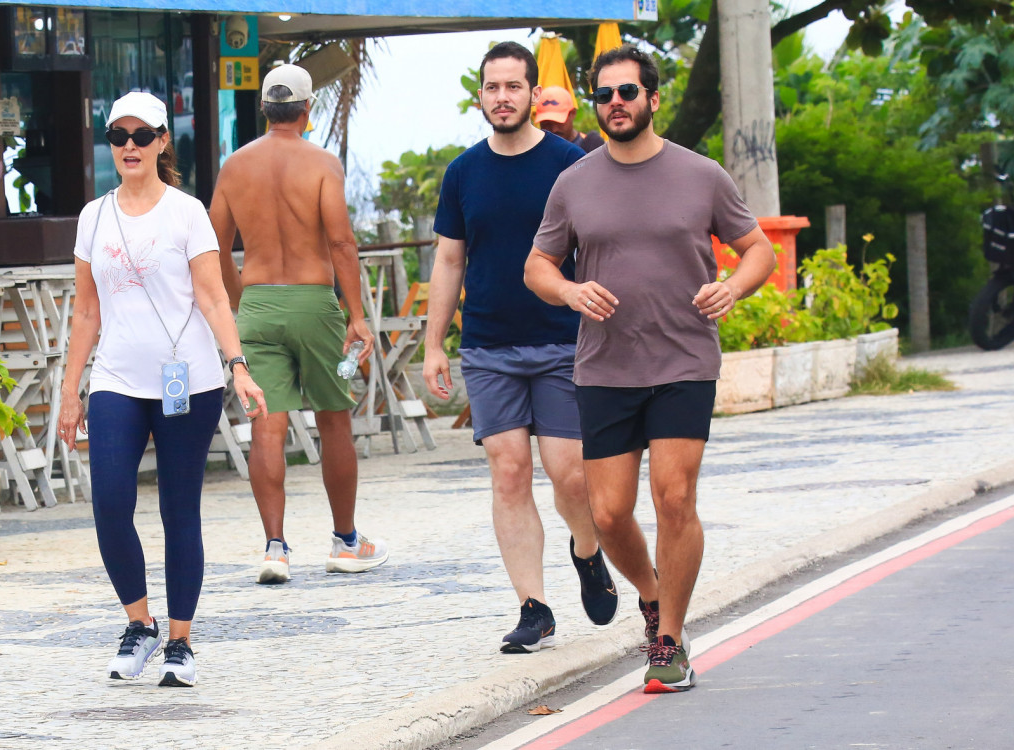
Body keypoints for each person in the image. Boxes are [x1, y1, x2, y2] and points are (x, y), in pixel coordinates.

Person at [525, 46, 777, 691]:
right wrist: (570, 292)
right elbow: (538, 266)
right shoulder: (574, 182)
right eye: (606, 94)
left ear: (652, 99)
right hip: (605, 367)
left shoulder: (701, 175)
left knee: (673, 498)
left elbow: (757, 251)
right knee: (607, 513)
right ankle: (652, 593)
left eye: (629, 92)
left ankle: (669, 643)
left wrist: (734, 288)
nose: (617, 103)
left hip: (683, 360)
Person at [58, 91, 268, 687]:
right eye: (118, 136)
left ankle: (180, 640)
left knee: (180, 509)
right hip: (119, 379)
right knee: (109, 503)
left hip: (189, 381)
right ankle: (138, 624)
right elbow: (85, 313)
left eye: (141, 135)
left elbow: (212, 296)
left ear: (161, 141)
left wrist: (238, 364)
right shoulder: (92, 216)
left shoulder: (186, 212)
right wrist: (70, 391)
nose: (129, 146)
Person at [423, 41, 618, 655]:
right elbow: (450, 259)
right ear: (479, 97)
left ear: (534, 94)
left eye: (513, 86)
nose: (502, 97)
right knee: (508, 473)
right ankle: (533, 607)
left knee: (570, 476)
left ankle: (587, 552)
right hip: (489, 345)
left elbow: (605, 246)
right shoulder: (462, 173)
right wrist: (434, 345)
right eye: (491, 87)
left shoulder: (573, 164)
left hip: (565, 341)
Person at [210, 64, 386, 585]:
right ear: (308, 109)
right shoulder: (322, 163)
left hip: (259, 302)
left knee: (267, 423)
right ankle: (346, 541)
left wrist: (243, 298)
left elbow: (216, 244)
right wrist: (356, 315)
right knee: (334, 417)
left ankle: (275, 548)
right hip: (314, 303)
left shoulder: (235, 166)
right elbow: (340, 243)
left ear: (265, 109)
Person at [535, 86, 604, 154]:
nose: (554, 129)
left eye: (558, 122)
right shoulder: (536, 151)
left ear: (572, 113)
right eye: (547, 124)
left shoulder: (590, 147)